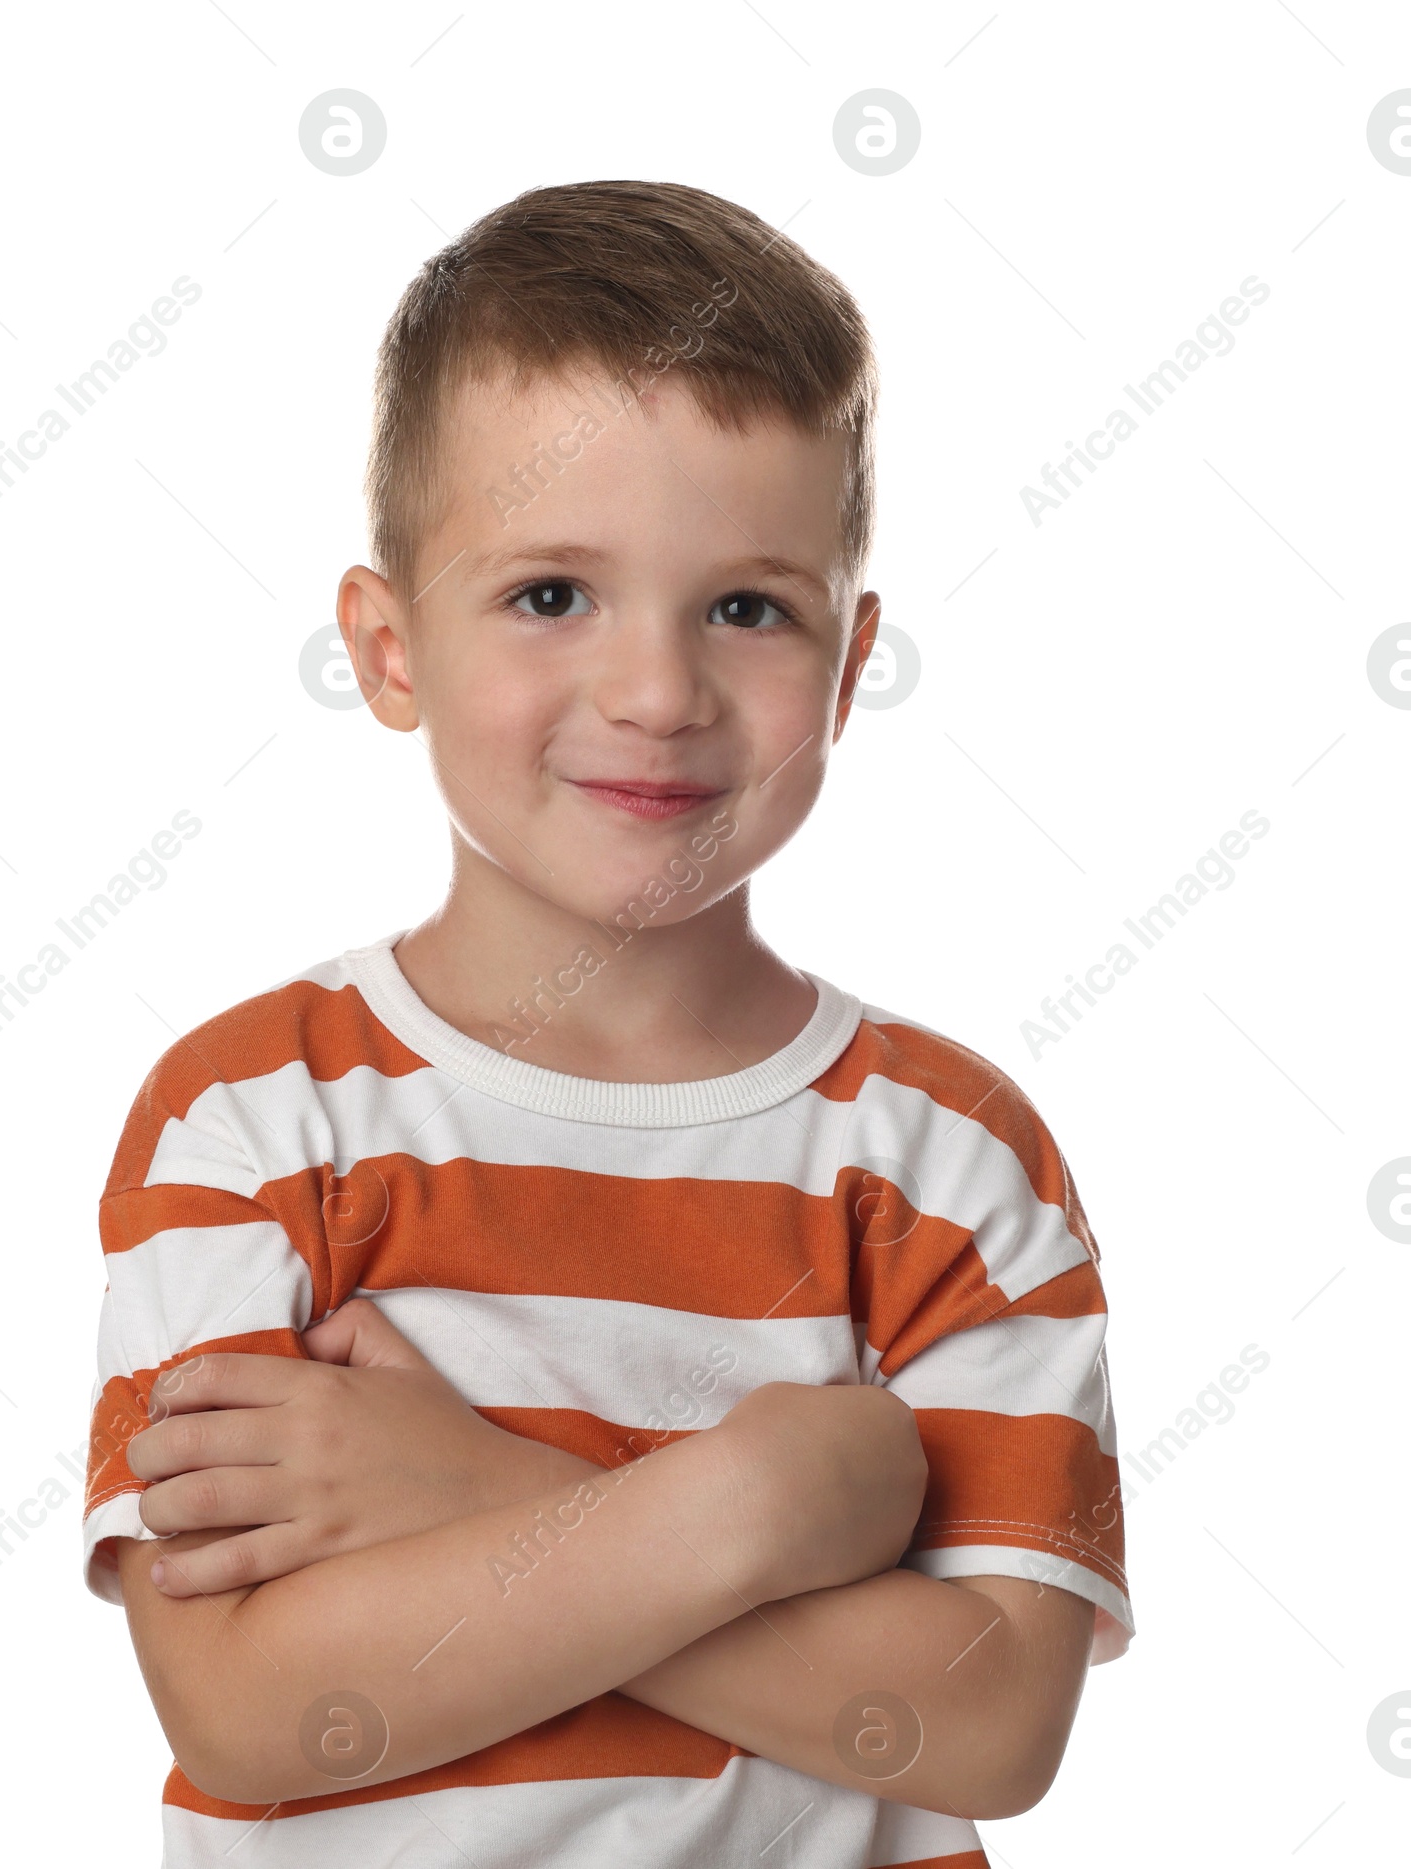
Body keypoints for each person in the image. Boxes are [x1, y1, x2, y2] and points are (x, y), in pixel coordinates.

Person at [82, 177, 1131, 1868]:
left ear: (851, 668)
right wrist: (761, 1506)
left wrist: (468, 1492)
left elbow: (992, 1724)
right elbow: (248, 1707)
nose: (658, 692)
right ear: (387, 644)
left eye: (747, 606)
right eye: (552, 593)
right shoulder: (255, 1118)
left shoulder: (951, 1161)